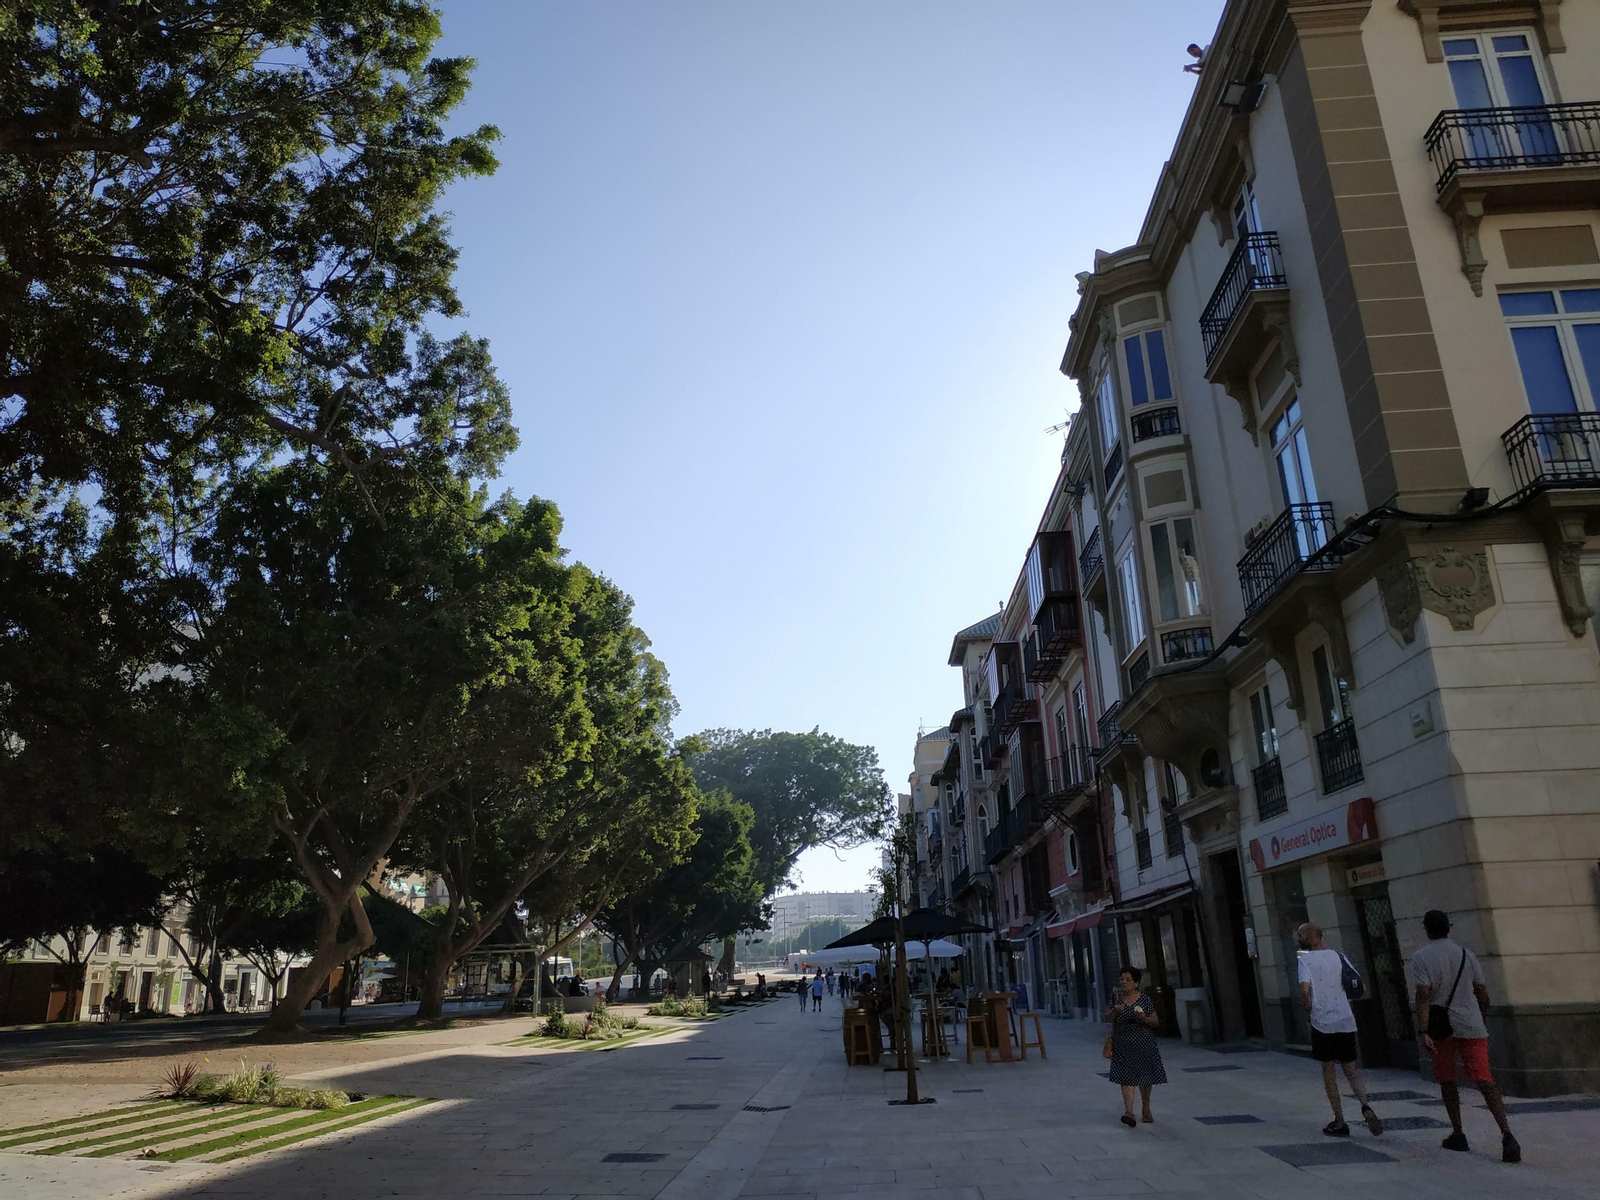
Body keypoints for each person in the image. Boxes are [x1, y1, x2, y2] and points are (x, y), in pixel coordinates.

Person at [1412, 909, 1520, 1163]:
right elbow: (1482, 992)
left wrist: (1424, 1028)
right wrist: (1479, 1018)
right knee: (1485, 1079)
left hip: (1442, 1028)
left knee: (1447, 1079)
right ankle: (1506, 1133)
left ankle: (1458, 1133)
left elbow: (1423, 995)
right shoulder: (1466, 954)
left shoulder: (1421, 957)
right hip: (1471, 1024)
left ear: (1426, 928)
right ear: (1448, 927)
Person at [1296, 922, 1383, 1138]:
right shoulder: (1338, 956)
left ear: (1312, 937)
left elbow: (1305, 992)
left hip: (1321, 1022)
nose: (1299, 938)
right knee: (1351, 1069)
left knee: (1328, 1072)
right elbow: (1359, 986)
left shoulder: (1304, 960)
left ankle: (1340, 1120)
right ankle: (1365, 1105)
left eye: (1301, 935)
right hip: (1345, 1019)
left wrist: (1308, 1009)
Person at [1104, 967, 1166, 1127]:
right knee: (1126, 1077)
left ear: (1136, 983)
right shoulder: (1116, 998)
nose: (1123, 982)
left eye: (1127, 979)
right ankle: (1129, 1112)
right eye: (1122, 979)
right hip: (1122, 1042)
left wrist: (1144, 1018)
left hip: (1143, 1042)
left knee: (1145, 1077)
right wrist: (1114, 1012)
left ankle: (1146, 1108)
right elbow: (1106, 1016)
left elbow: (1155, 1021)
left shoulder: (1144, 999)